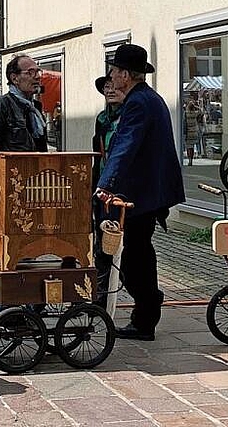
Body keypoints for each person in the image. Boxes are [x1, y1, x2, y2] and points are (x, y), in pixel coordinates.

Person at [95, 44, 185, 341]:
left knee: (135, 258)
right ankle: (145, 313)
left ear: (124, 74)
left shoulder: (137, 103)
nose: (110, 75)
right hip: (149, 192)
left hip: (141, 195)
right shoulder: (149, 98)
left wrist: (105, 184)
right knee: (138, 253)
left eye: (114, 70)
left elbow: (125, 145)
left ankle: (146, 313)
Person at [91, 75, 126, 308]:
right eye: (106, 87)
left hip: (122, 189)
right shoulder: (102, 119)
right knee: (101, 245)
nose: (110, 90)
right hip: (103, 187)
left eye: (114, 86)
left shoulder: (128, 116)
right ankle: (99, 297)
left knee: (122, 247)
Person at [0, 55, 48, 163]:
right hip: (14, 176)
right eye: (30, 72)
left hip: (36, 176)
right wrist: (3, 171)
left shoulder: (35, 108)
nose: (37, 77)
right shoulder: (1, 105)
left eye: (38, 71)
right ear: (15, 78)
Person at [183, 96, 205, 165]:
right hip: (195, 132)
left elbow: (184, 123)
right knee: (192, 147)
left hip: (188, 132)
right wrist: (196, 107)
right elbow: (202, 112)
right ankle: (191, 160)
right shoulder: (195, 114)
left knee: (189, 147)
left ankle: (189, 160)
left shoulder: (186, 113)